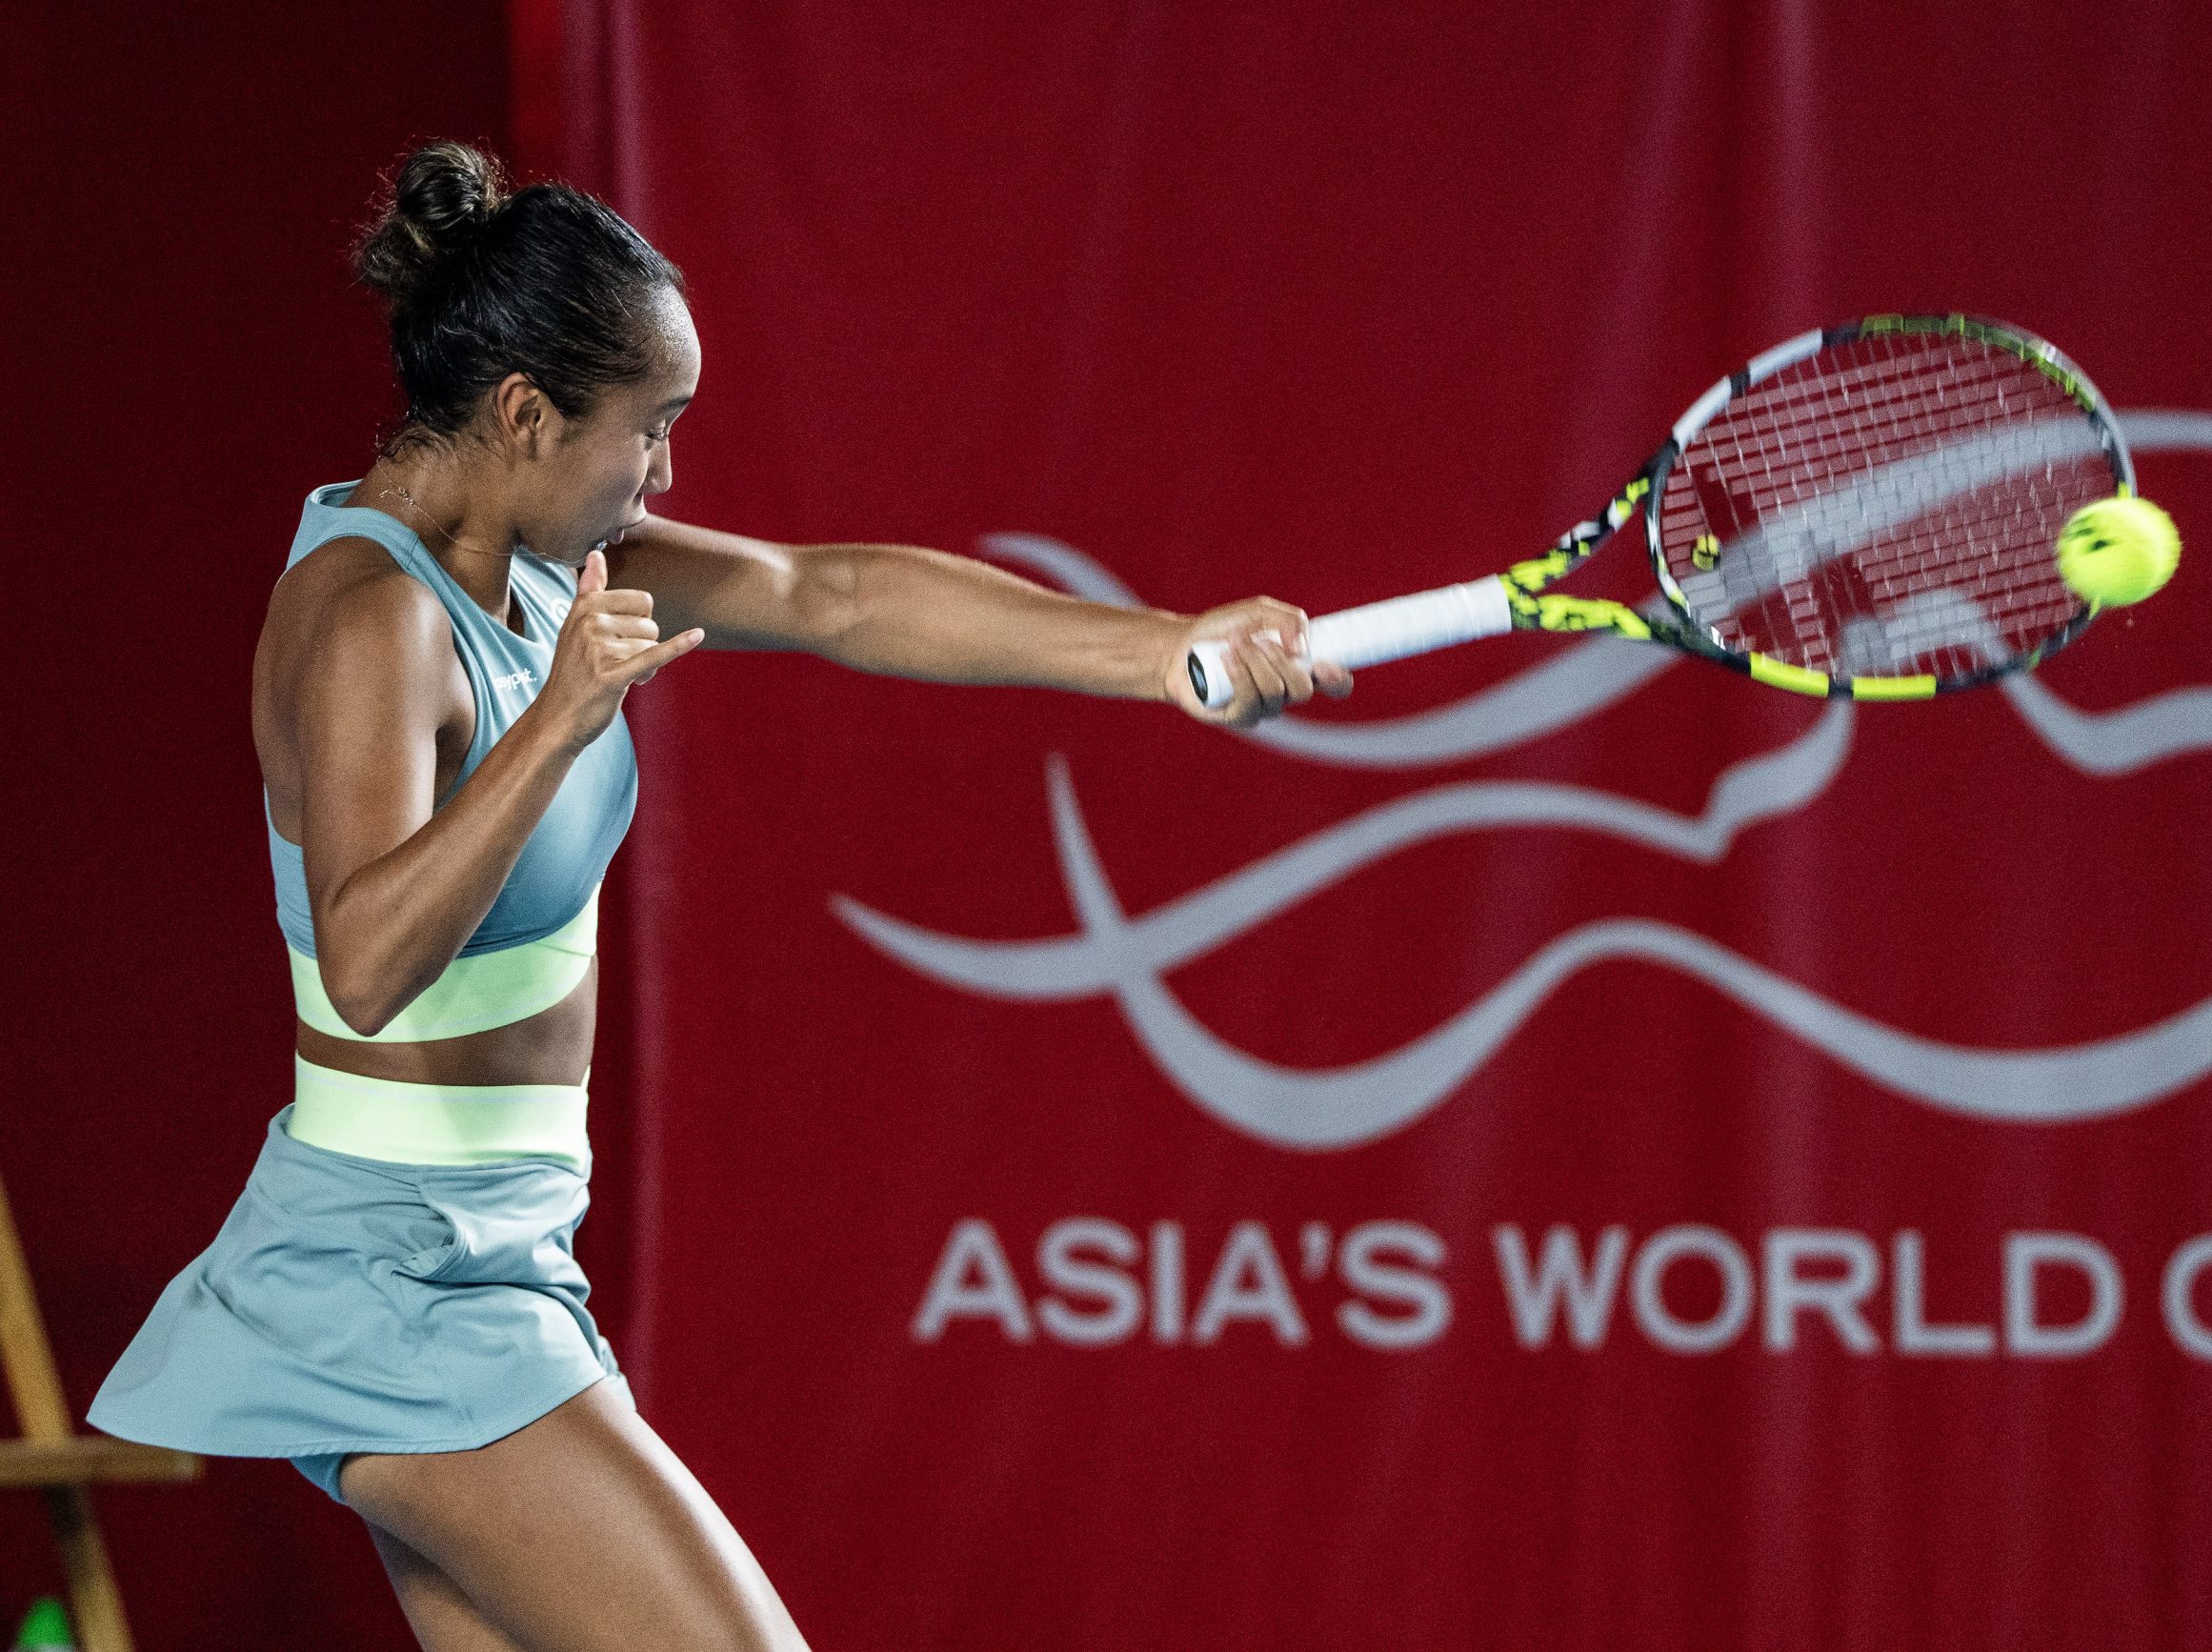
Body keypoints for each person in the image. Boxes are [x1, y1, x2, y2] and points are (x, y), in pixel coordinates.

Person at [89, 141, 1348, 1652]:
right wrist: (552, 726)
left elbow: (832, 596)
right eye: (652, 429)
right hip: (397, 1278)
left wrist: (1161, 651)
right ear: (525, 414)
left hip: (491, 1250)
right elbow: (362, 959)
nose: (667, 474)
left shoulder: (552, 558)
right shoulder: (374, 619)